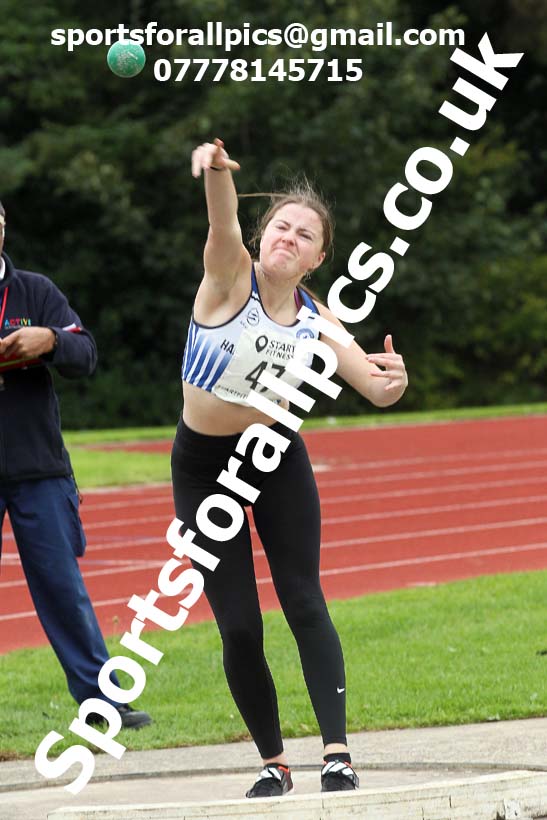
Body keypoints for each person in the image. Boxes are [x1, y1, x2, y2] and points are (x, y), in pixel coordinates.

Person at [171, 138, 408, 797]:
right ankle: (273, 761)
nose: (290, 239)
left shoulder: (317, 318)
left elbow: (376, 386)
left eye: (305, 236)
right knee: (239, 623)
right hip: (202, 469)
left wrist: (394, 380)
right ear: (263, 234)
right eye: (281, 226)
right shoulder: (228, 276)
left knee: (303, 597)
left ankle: (336, 754)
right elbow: (221, 220)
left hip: (273, 456)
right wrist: (217, 171)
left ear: (317, 257)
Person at [0, 201, 150, 729]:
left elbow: (85, 354)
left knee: (63, 588)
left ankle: (101, 702)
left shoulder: (35, 291)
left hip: (38, 467)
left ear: (3, 225)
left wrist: (50, 341)